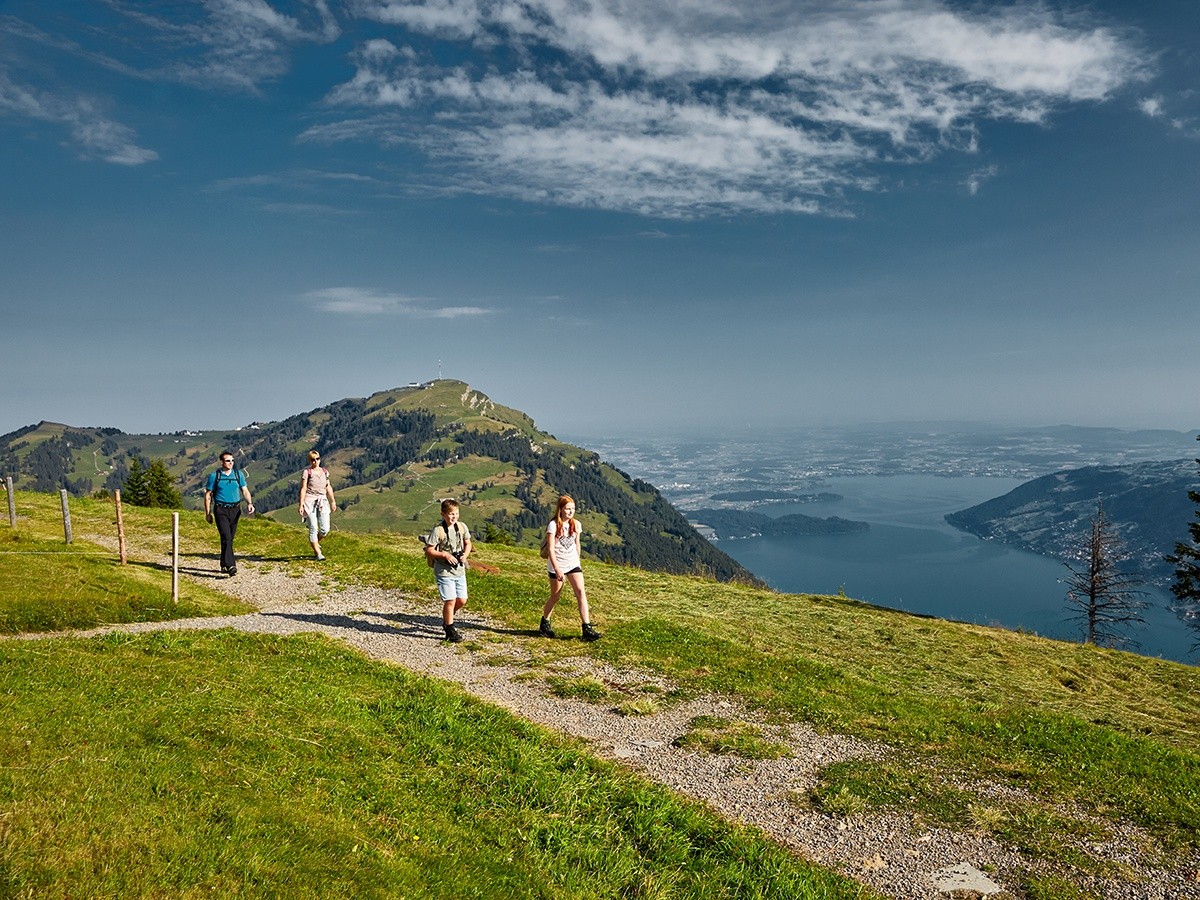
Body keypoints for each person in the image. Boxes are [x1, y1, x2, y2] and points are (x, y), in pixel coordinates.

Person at [540, 495, 600, 642]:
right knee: (555, 596)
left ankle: (586, 627)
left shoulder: (576, 524)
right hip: (557, 565)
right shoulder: (553, 525)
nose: (570, 511)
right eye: (567, 509)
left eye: (572, 509)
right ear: (560, 509)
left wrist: (577, 561)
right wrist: (557, 569)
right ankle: (545, 621)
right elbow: (551, 550)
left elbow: (576, 544)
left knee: (580, 592)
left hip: (573, 563)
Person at [424, 499, 473, 643]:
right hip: (444, 571)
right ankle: (449, 629)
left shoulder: (462, 527)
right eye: (451, 514)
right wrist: (445, 555)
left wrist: (465, 554)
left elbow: (468, 543)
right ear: (443, 514)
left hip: (459, 570)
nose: (454, 517)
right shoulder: (438, 530)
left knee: (462, 600)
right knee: (450, 600)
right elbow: (429, 549)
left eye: (456, 514)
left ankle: (448, 616)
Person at [203, 451, 254, 576]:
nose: (230, 463)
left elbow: (245, 490)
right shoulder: (215, 476)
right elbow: (208, 495)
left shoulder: (238, 475)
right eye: (227, 460)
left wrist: (249, 503)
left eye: (232, 460)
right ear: (221, 462)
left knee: (229, 538)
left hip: (235, 509)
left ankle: (223, 564)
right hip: (221, 509)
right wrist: (208, 513)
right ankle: (231, 565)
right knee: (227, 537)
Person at [298, 450, 336, 560]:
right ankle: (318, 553)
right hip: (310, 501)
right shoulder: (307, 472)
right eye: (313, 460)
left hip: (322, 501)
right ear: (310, 461)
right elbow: (303, 488)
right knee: (313, 527)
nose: (315, 461)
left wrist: (332, 500)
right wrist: (301, 504)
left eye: (317, 459)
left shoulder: (325, 472)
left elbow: (328, 486)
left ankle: (315, 542)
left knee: (325, 529)